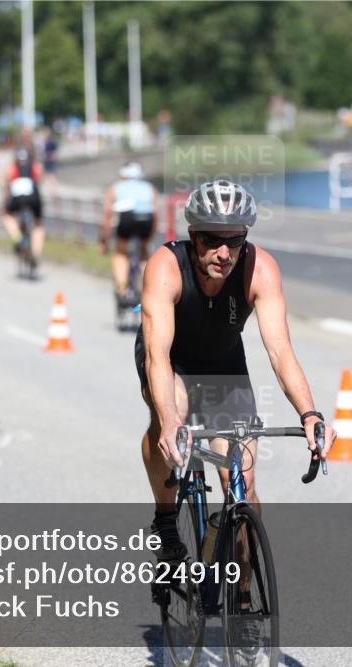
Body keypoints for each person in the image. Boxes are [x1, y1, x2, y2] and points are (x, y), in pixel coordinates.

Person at [136, 180, 337, 560]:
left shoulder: (260, 268)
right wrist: (168, 420)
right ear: (193, 235)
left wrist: (310, 414)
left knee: (241, 480)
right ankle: (166, 520)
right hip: (170, 360)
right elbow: (157, 356)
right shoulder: (166, 267)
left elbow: (280, 351)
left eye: (235, 240)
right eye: (212, 240)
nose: (224, 252)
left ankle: (242, 603)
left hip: (222, 363)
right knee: (172, 414)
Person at [100, 162, 158, 305]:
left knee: (120, 253)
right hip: (147, 219)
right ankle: (149, 289)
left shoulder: (115, 188)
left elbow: (107, 215)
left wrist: (104, 240)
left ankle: (122, 290)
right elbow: (156, 215)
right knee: (144, 254)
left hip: (127, 218)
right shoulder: (150, 188)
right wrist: (149, 239)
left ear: (122, 176)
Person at [2, 148, 44, 272]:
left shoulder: (11, 168)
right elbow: (39, 183)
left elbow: (7, 186)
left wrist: (5, 205)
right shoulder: (36, 166)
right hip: (33, 198)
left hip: (17, 198)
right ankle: (36, 254)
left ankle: (18, 238)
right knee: (38, 225)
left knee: (7, 216)